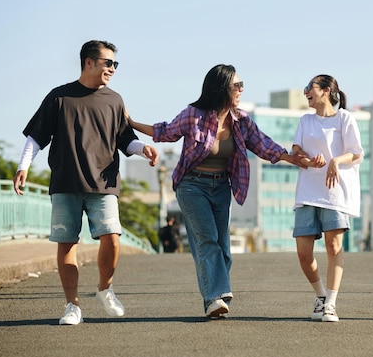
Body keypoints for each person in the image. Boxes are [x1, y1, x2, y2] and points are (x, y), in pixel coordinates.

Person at [126, 64, 305, 319]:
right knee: (207, 239)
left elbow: (264, 145)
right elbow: (164, 132)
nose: (241, 90)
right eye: (237, 86)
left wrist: (292, 158)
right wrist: (132, 123)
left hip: (221, 186)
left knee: (222, 247)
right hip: (192, 185)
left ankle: (215, 298)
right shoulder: (194, 115)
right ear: (222, 88)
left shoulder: (241, 121)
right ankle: (215, 296)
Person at [12, 40, 159, 326]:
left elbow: (125, 140)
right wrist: (23, 166)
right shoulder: (59, 97)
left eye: (115, 64)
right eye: (108, 63)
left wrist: (144, 149)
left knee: (112, 238)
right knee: (66, 244)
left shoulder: (115, 100)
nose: (113, 69)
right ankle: (72, 305)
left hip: (103, 184)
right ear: (88, 62)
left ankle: (105, 289)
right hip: (66, 182)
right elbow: (36, 136)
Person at [291, 74, 364, 323]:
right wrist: (308, 161)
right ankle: (321, 295)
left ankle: (331, 304)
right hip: (308, 192)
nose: (305, 93)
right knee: (303, 253)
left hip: (335, 192)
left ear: (325, 90)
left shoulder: (345, 118)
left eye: (309, 88)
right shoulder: (305, 121)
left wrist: (335, 160)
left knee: (334, 247)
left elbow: (356, 153)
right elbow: (296, 152)